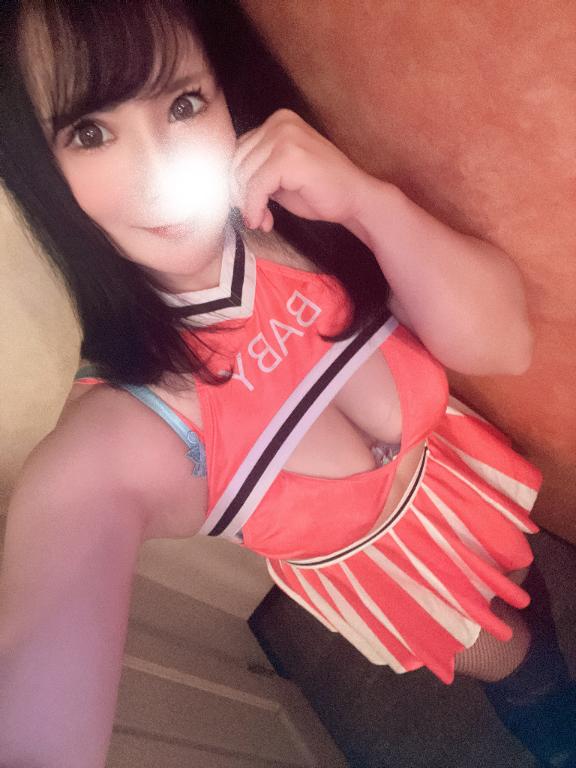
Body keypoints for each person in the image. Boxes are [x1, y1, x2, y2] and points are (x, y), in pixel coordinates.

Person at [0, 1, 573, 766]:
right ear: (41, 171)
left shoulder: (296, 209)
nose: (154, 166)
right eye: (91, 133)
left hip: (472, 490)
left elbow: (505, 344)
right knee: (526, 671)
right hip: (400, 587)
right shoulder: (129, 425)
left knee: (535, 596)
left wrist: (365, 200)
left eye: (183, 103)